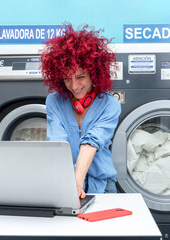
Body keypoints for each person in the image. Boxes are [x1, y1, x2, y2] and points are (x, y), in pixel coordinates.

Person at [41, 24, 121, 198]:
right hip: (64, 183)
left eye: (81, 76)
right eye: (66, 79)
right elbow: (57, 145)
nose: (74, 86)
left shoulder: (110, 105)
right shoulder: (54, 101)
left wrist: (76, 183)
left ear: (95, 73)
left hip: (102, 187)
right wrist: (67, 186)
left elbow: (91, 142)